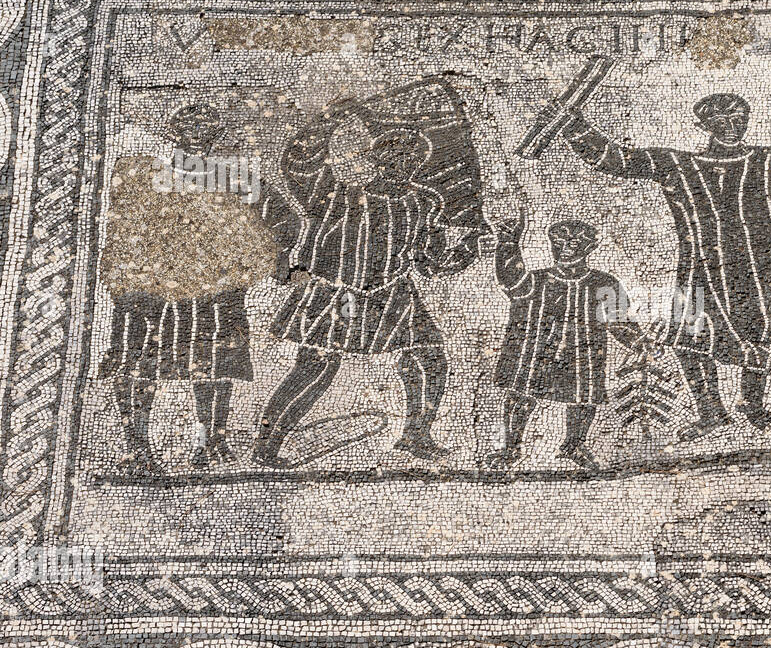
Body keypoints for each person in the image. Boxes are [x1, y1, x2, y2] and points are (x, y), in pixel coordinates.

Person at [551, 91, 771, 440]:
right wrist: (574, 126)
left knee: (763, 334)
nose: (731, 126)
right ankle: (711, 412)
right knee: (690, 338)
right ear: (702, 124)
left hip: (766, 270)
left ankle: (753, 405)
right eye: (720, 119)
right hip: (701, 271)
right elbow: (618, 159)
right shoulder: (678, 165)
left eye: (738, 117)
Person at [251, 87, 489, 467]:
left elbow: (430, 264)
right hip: (335, 294)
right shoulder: (335, 195)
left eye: (411, 158)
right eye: (395, 156)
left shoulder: (425, 204)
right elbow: (298, 164)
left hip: (392, 293)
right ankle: (268, 443)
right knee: (316, 367)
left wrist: (470, 248)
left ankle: (416, 435)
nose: (403, 164)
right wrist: (329, 119)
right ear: (377, 159)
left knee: (429, 357)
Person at [98, 102, 277, 471]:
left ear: (216, 135)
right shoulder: (140, 173)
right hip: (148, 290)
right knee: (136, 365)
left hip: (215, 292)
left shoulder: (236, 178)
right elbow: (120, 228)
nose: (197, 134)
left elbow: (274, 225)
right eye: (189, 127)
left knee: (215, 363)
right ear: (174, 133)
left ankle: (209, 442)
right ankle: (137, 447)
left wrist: (263, 261)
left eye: (205, 127)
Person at [486, 214, 640, 471]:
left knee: (584, 396)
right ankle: (511, 448)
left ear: (589, 247)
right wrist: (508, 243)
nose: (566, 247)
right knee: (521, 394)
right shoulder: (537, 280)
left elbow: (618, 320)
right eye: (560, 242)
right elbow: (511, 282)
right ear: (552, 244)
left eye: (575, 242)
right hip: (537, 347)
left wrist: (638, 342)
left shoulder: (603, 282)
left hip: (583, 347)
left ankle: (574, 445)